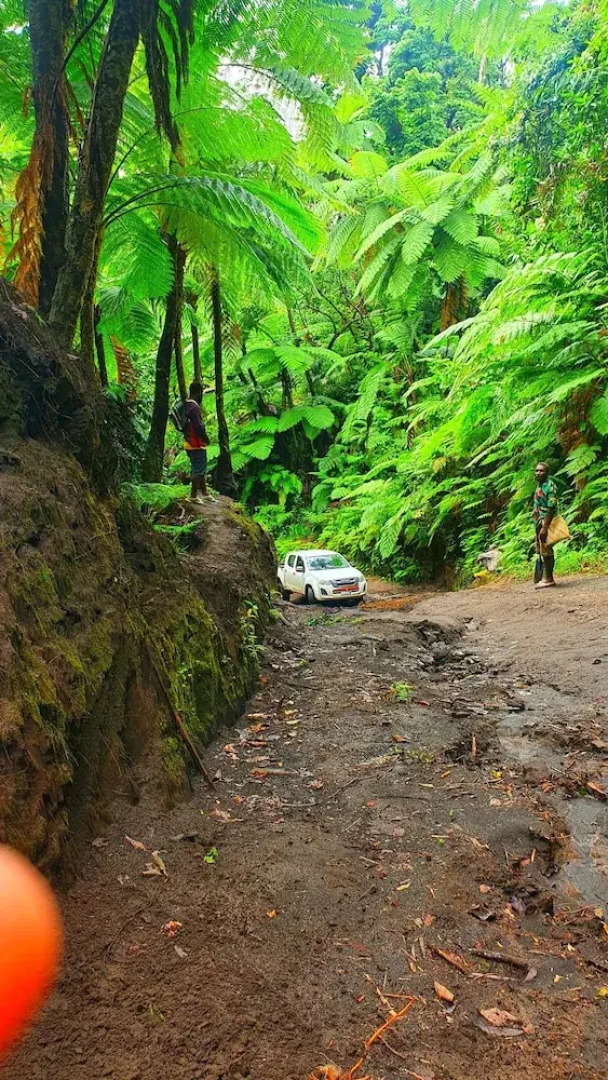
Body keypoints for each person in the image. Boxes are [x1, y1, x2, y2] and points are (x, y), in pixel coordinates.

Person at [184, 381, 212, 504]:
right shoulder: (194, 407)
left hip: (189, 442)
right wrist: (206, 438)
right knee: (199, 470)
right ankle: (193, 495)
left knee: (199, 468)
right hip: (196, 443)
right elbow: (199, 427)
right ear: (198, 392)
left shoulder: (187, 404)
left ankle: (205, 493)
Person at [533, 461, 558, 588]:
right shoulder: (539, 486)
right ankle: (544, 576)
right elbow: (537, 504)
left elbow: (551, 508)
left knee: (547, 549)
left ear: (547, 473)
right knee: (541, 549)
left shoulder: (550, 486)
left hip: (547, 522)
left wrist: (545, 527)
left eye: (541, 470)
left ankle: (549, 578)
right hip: (539, 522)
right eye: (537, 470)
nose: (538, 473)